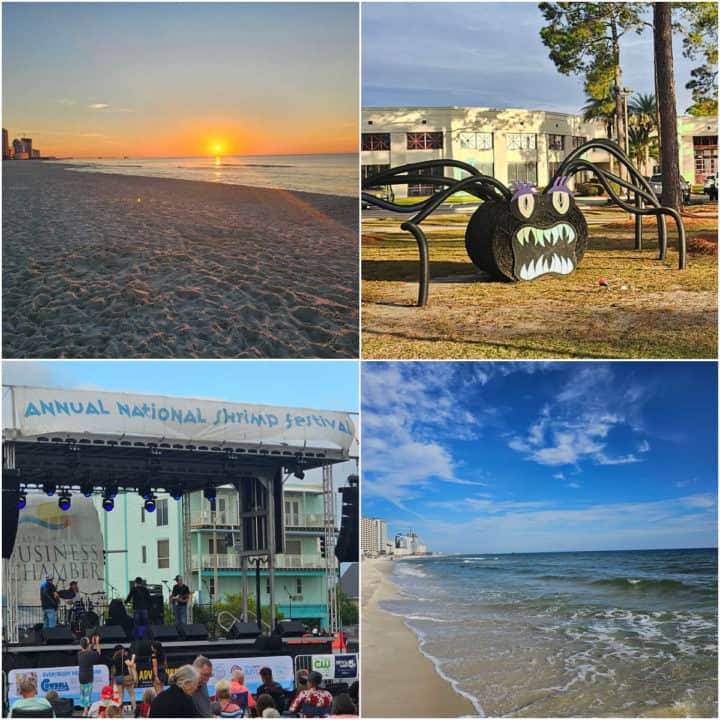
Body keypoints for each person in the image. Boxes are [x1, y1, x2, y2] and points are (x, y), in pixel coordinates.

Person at [78, 634, 104, 717]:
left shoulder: (79, 654)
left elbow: (89, 651)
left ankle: (84, 710)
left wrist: (92, 644)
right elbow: (98, 653)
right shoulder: (90, 654)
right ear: (88, 645)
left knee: (83, 694)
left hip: (81, 676)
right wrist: (97, 643)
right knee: (87, 695)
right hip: (88, 677)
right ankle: (85, 712)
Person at [112, 644, 137, 714]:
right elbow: (130, 664)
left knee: (120, 696)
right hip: (126, 677)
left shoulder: (114, 658)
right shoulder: (123, 657)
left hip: (118, 677)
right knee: (131, 694)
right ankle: (135, 709)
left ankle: (118, 711)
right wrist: (133, 657)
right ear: (121, 650)